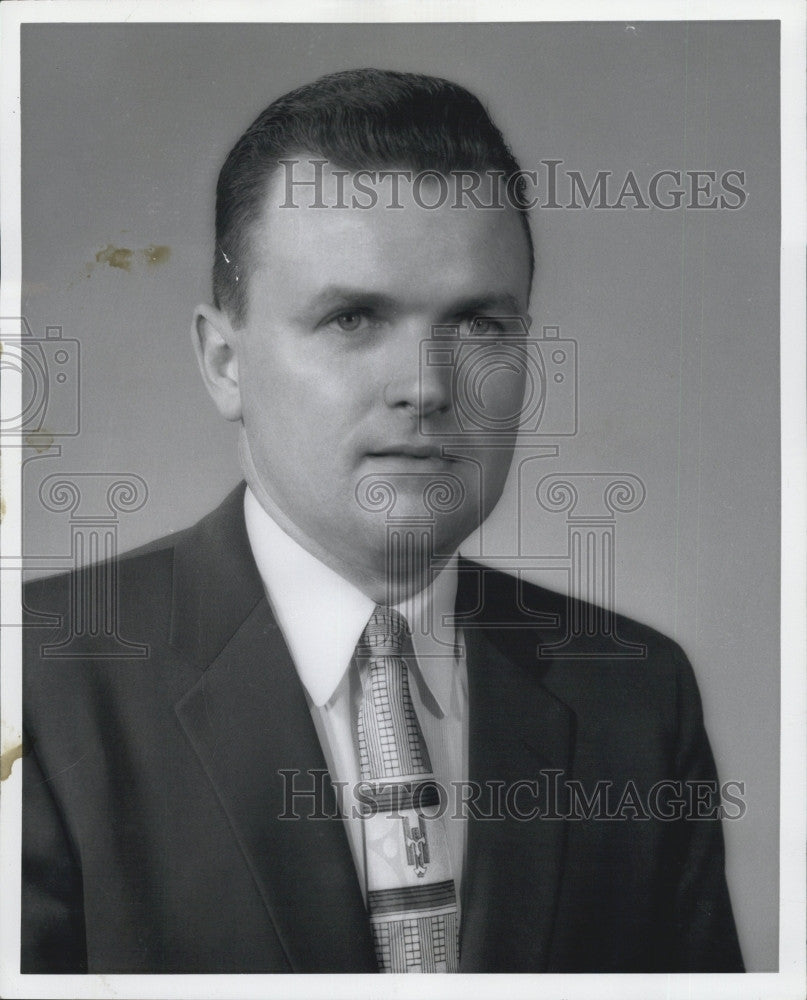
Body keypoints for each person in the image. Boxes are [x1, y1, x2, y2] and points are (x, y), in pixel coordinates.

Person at [21, 68, 744, 974]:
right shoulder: (37, 684)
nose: (428, 387)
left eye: (480, 324)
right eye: (353, 317)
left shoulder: (636, 698)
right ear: (222, 362)